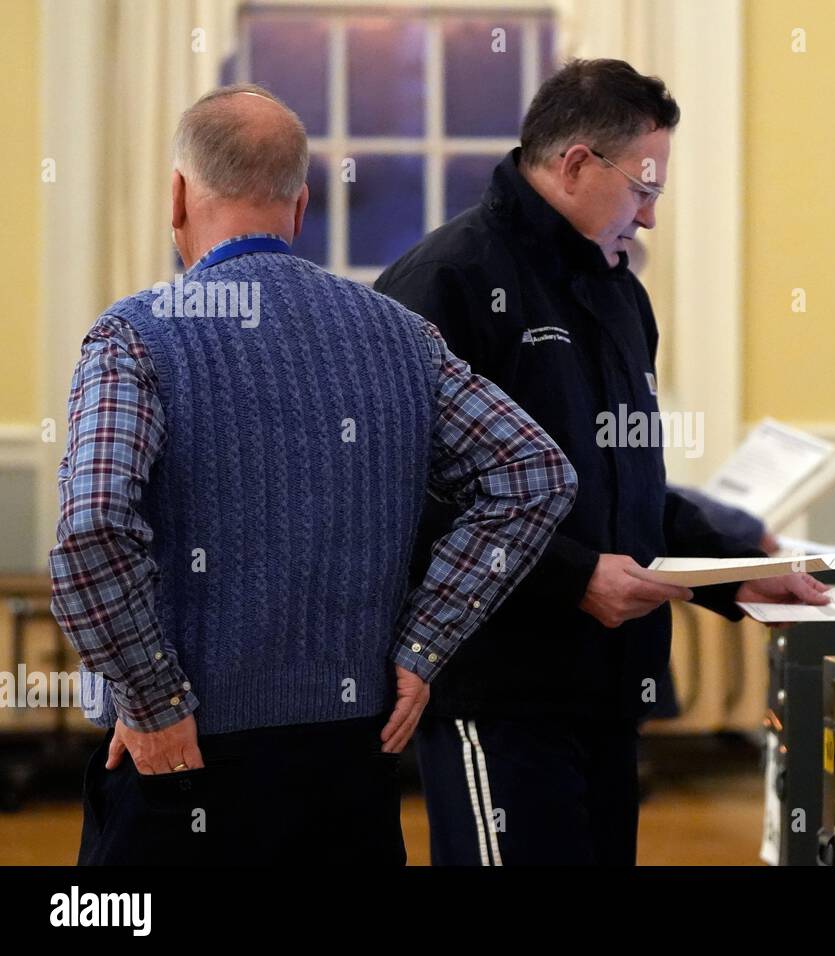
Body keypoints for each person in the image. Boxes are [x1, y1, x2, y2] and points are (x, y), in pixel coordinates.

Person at [50, 84, 577, 866]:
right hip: (348, 769)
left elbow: (92, 528)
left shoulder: (136, 337)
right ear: (299, 208)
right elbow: (533, 473)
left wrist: (154, 699)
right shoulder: (403, 338)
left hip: (180, 768)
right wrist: (421, 647)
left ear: (177, 197)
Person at [375, 58, 828, 865]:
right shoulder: (442, 282)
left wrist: (733, 574)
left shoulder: (622, 293)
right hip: (498, 688)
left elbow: (629, 488)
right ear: (578, 163)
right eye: (644, 190)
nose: (651, 218)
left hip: (612, 691)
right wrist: (575, 576)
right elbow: (400, 502)